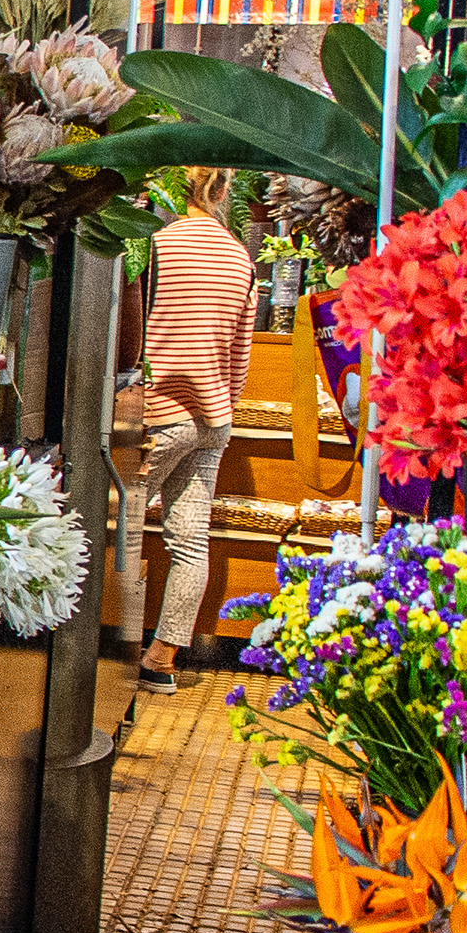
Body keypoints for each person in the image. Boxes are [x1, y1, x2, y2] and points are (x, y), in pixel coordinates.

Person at [138, 165, 255, 695]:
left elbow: (134, 332)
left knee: (102, 521)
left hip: (157, 414)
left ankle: (81, 651)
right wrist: (222, 412)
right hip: (212, 419)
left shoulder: (158, 247)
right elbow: (240, 356)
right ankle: (160, 658)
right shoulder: (241, 259)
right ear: (225, 189)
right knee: (190, 542)